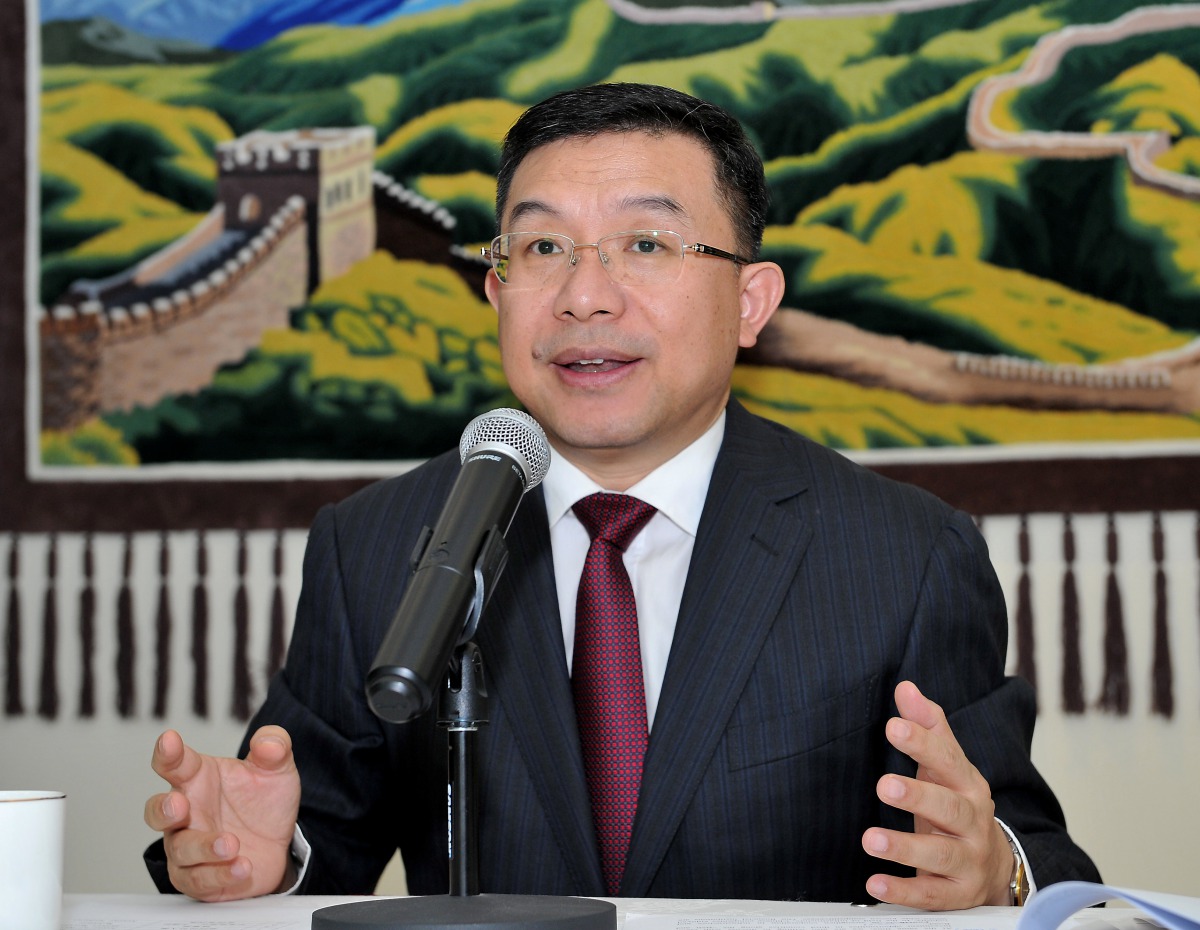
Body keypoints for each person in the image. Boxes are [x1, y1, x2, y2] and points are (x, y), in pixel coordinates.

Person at [143, 82, 1099, 908]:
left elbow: (1039, 857)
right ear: (498, 293)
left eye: (645, 243)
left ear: (751, 302)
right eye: (542, 249)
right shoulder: (380, 543)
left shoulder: (904, 556)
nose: (584, 296)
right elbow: (313, 838)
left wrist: (995, 871)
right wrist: (264, 862)